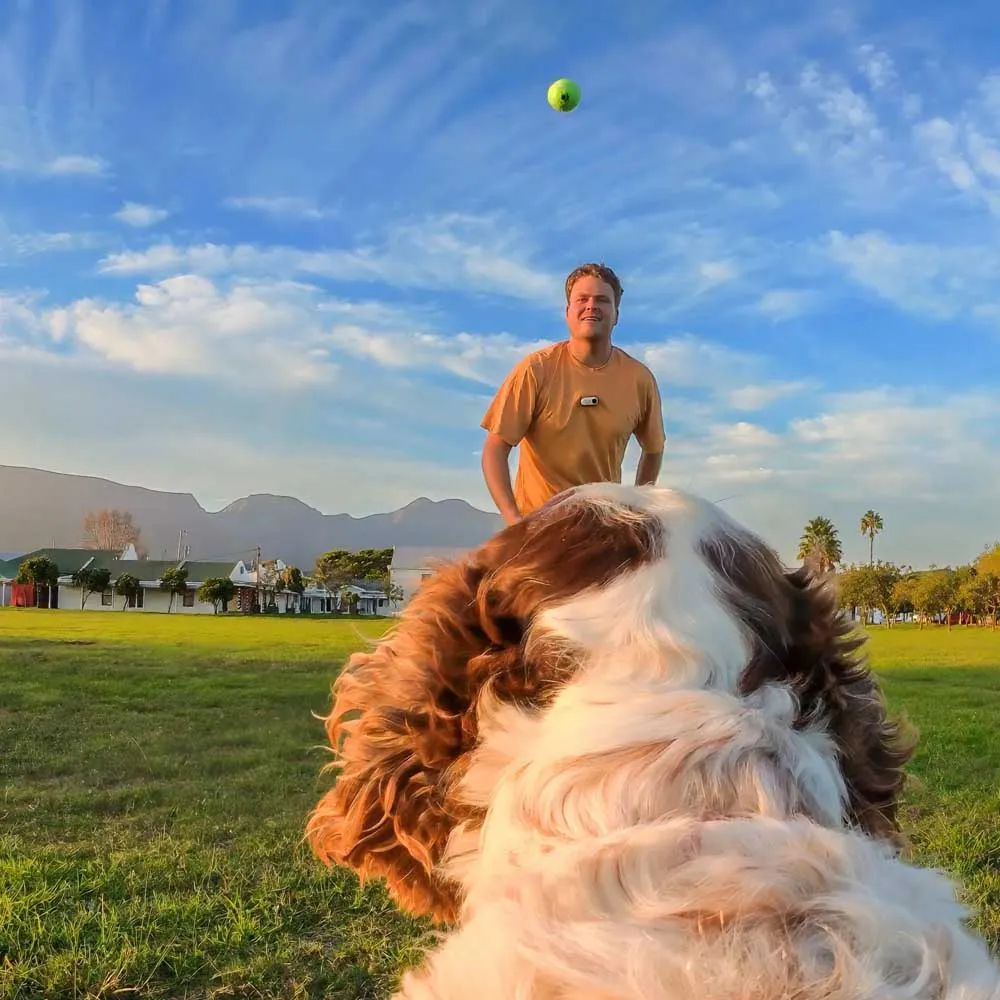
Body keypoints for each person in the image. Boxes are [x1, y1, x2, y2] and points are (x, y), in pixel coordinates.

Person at [480, 261, 666, 526]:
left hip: (603, 528)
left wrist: (637, 508)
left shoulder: (639, 379)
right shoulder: (536, 370)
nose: (592, 306)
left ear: (616, 314)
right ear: (568, 312)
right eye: (583, 299)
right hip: (540, 527)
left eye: (602, 300)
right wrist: (514, 520)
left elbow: (654, 449)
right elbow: (495, 449)